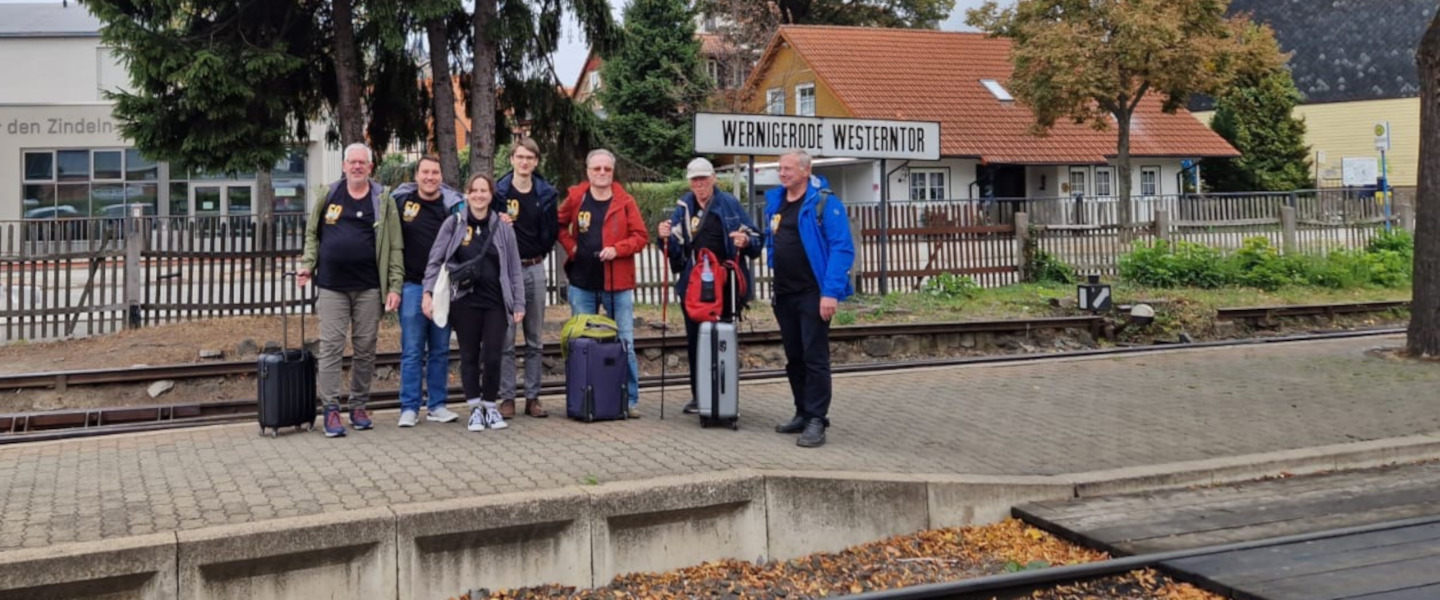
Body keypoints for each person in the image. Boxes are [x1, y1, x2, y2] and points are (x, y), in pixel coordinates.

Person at [298, 143, 405, 438]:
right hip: (332, 286)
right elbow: (312, 234)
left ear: (370, 167)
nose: (357, 166)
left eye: (362, 162)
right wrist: (308, 264)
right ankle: (331, 409)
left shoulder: (382, 199)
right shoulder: (329, 195)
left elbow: (395, 246)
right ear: (344, 166)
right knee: (331, 347)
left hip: (369, 287)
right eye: (352, 162)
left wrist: (394, 285)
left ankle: (358, 405)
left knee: (366, 348)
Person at [763, 150, 855, 448]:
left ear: (806, 170)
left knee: (815, 357)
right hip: (784, 293)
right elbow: (771, 238)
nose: (782, 173)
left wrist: (830, 292)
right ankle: (802, 412)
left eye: (788, 169)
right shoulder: (776, 202)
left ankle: (817, 419)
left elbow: (842, 248)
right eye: (780, 168)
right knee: (795, 357)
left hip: (813, 293)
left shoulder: (824, 203)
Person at [422, 174, 525, 432]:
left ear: (491, 195)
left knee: (493, 354)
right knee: (469, 355)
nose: (479, 195)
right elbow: (435, 260)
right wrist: (428, 292)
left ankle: (490, 405)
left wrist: (519, 303)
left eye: (484, 191)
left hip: (495, 302)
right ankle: (475, 408)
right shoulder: (454, 223)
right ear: (467, 194)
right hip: (464, 302)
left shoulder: (503, 227)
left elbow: (514, 268)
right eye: (474, 190)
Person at [657, 157, 760, 414]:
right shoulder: (684, 206)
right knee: (695, 341)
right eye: (695, 179)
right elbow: (674, 249)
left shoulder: (729, 204)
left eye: (703, 178)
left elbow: (756, 238)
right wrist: (664, 238)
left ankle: (722, 397)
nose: (699, 183)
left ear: (713, 178)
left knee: (721, 339)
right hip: (693, 286)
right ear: (689, 182)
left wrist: (746, 241)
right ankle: (699, 396)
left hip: (725, 286)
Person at [557, 149, 649, 418]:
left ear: (612, 171)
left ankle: (629, 400)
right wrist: (572, 247)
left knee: (624, 342)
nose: (601, 173)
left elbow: (641, 236)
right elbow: (558, 225)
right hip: (582, 282)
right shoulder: (577, 197)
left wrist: (618, 249)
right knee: (581, 343)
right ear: (588, 171)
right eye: (596, 168)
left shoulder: (625, 201)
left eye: (606, 169)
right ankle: (582, 398)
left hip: (617, 283)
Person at [391, 156, 464, 427]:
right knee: (412, 350)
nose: (430, 177)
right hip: (411, 286)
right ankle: (409, 407)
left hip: (442, 288)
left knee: (440, 349)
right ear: (416, 175)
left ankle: (437, 405)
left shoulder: (452, 207)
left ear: (441, 176)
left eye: (435, 172)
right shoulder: (401, 202)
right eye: (425, 172)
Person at [495, 138, 560, 419]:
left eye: (529, 158)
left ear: (536, 162)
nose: (524, 162)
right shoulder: (499, 192)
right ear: (512, 159)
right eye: (520, 157)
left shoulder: (545, 193)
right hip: (506, 272)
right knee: (506, 340)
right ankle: (507, 398)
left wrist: (539, 252)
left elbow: (552, 230)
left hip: (534, 267)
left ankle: (533, 398)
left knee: (535, 339)